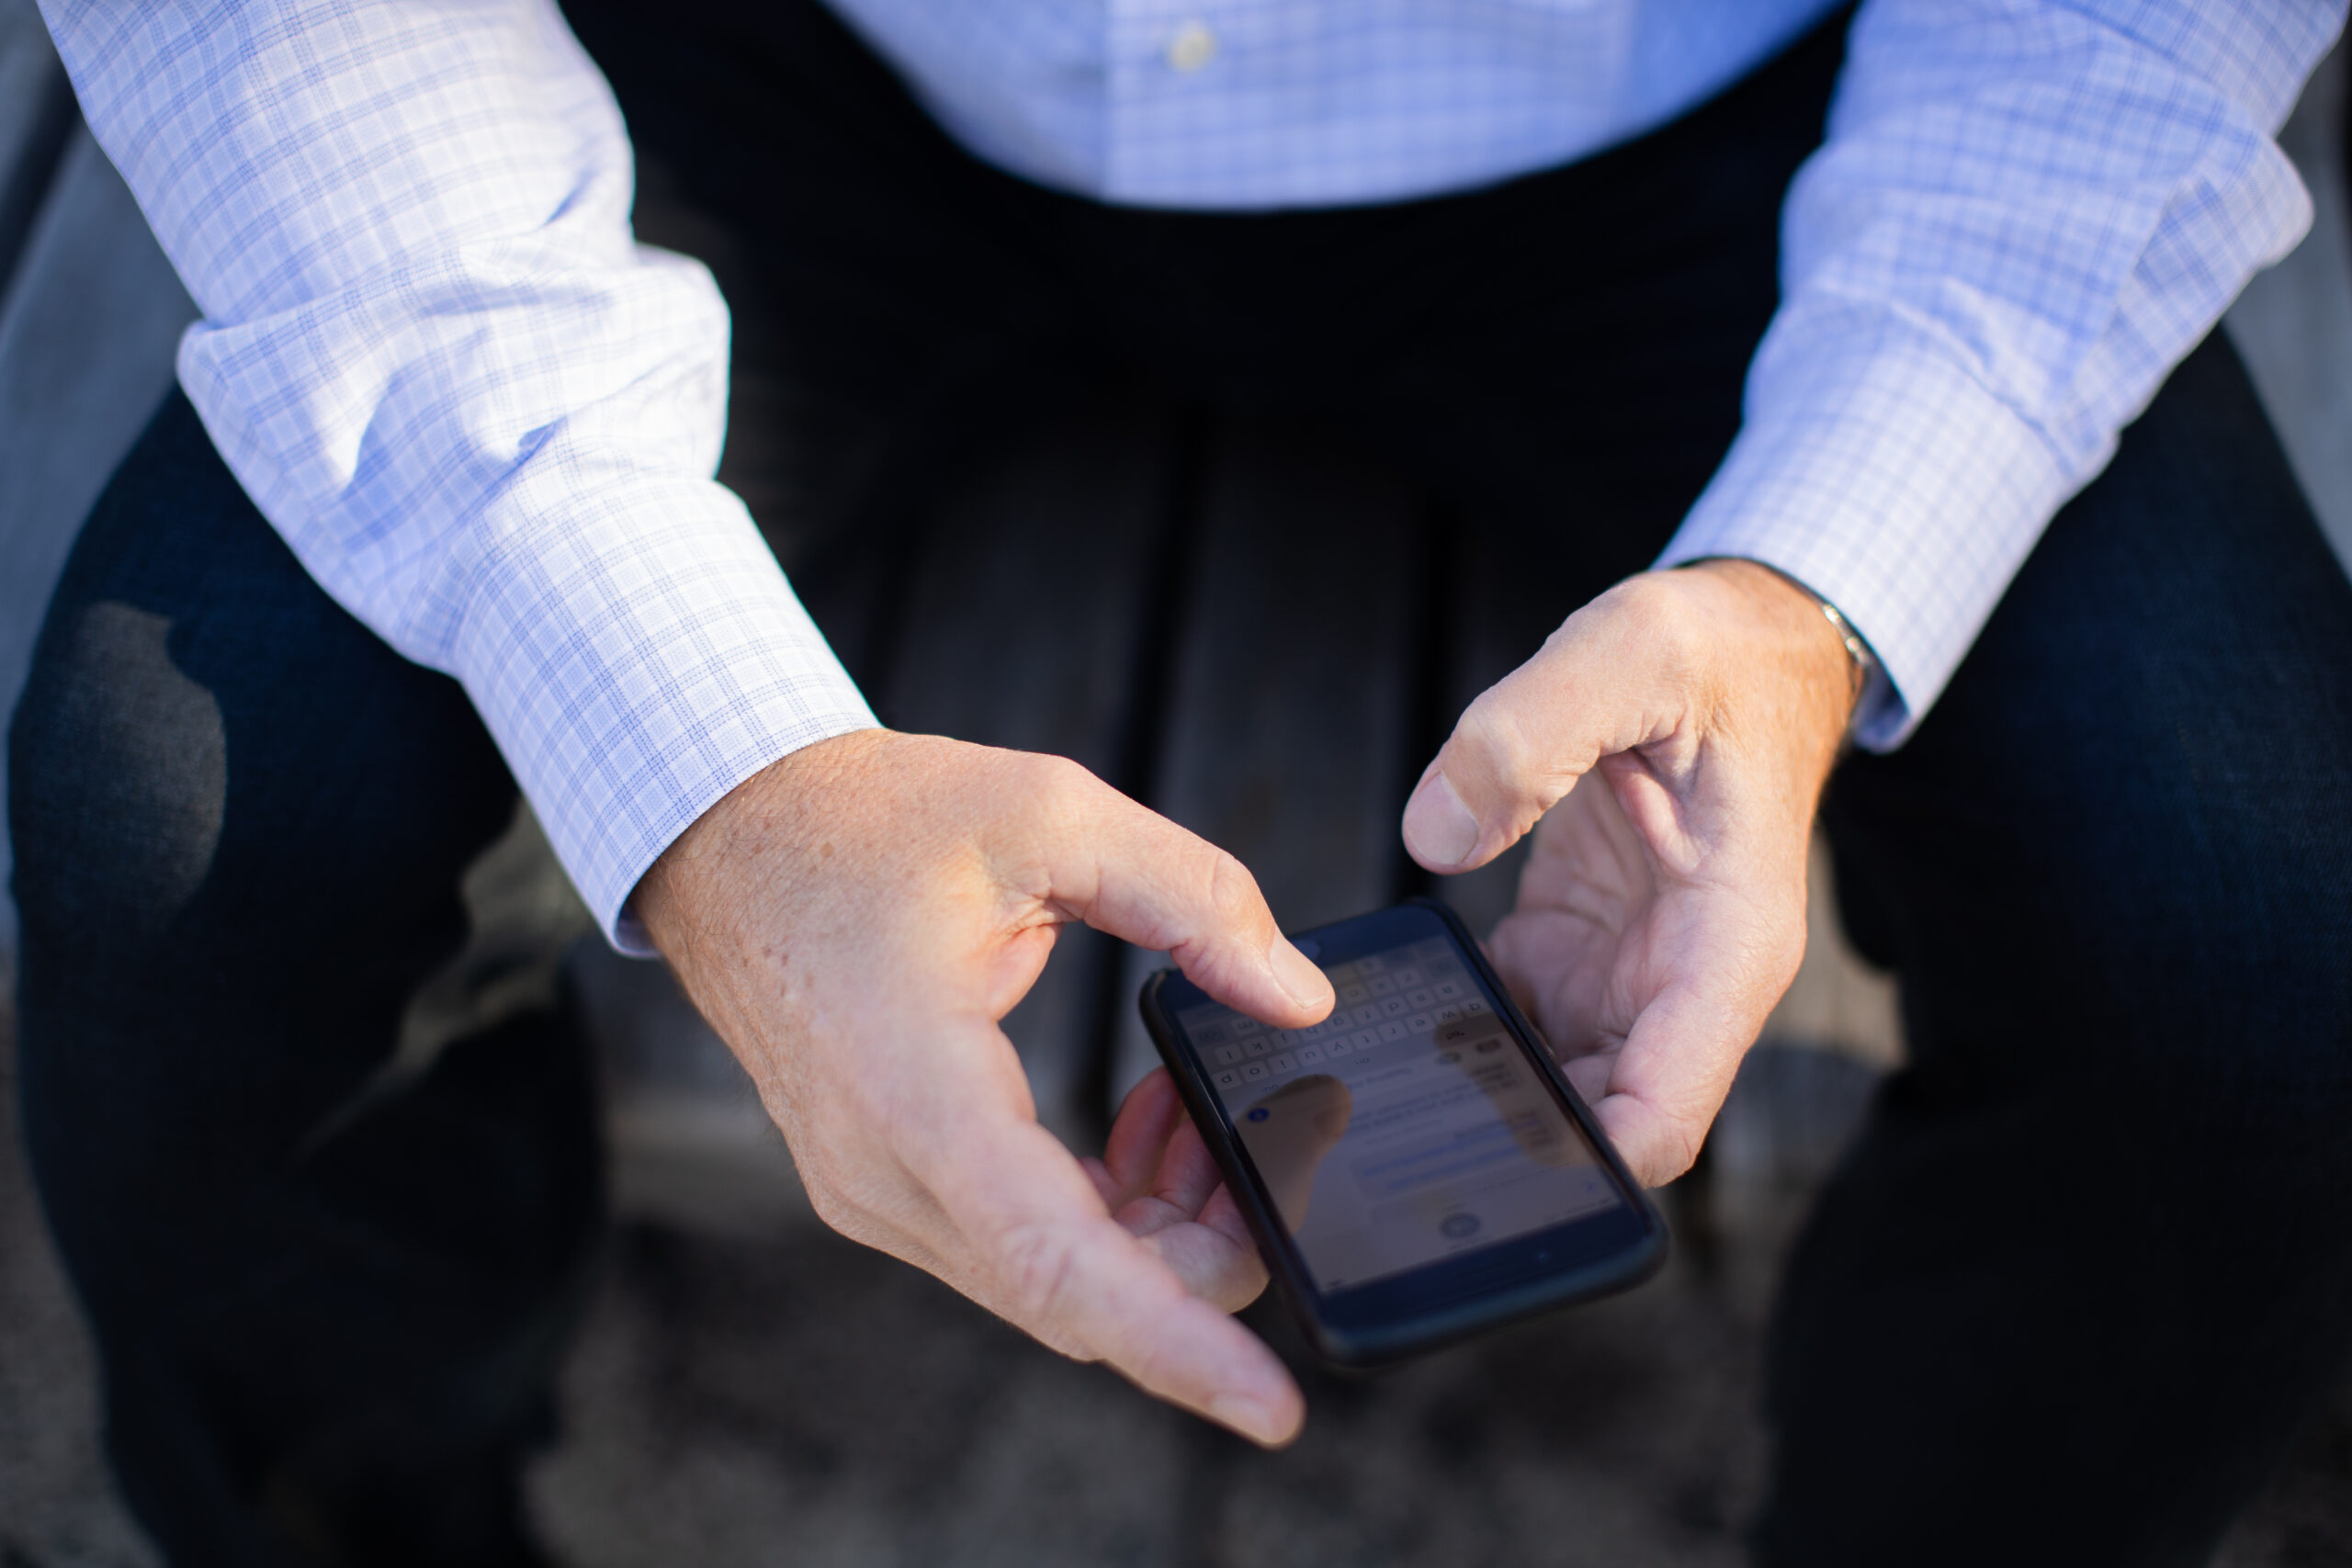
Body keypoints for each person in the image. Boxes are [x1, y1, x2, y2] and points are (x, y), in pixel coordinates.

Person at [12, 0, 2351, 1562]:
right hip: (765, 67)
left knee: (2254, 942)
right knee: (185, 824)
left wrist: (1814, 577)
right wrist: (705, 771)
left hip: (1718, 88)